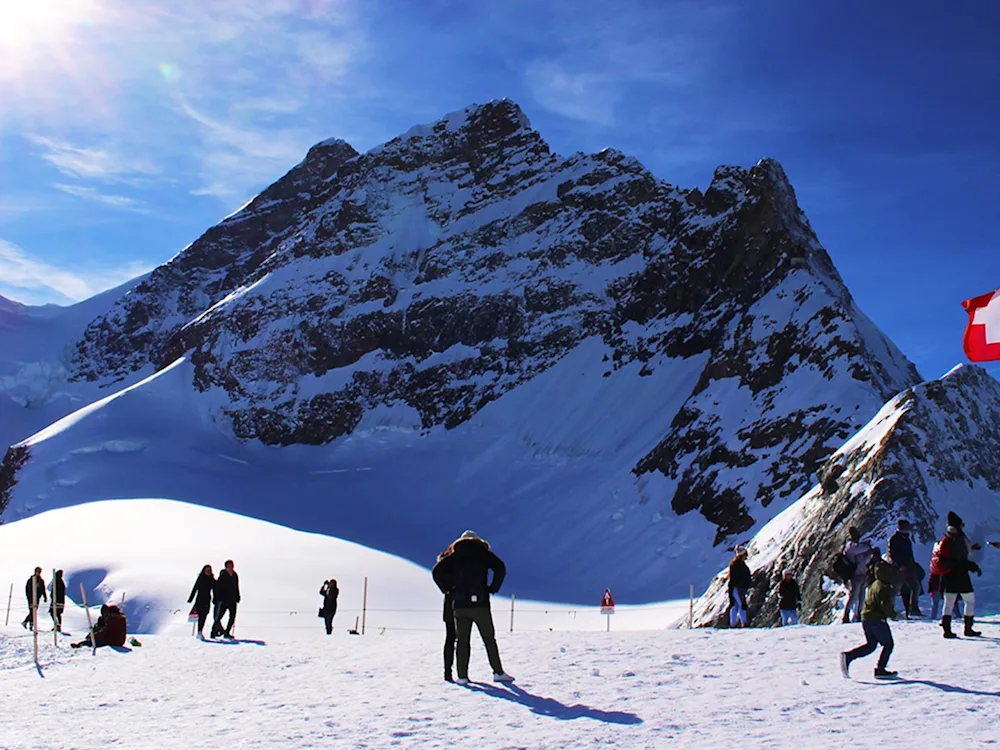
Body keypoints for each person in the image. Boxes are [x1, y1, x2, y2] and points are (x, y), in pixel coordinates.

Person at [432, 530, 513, 685]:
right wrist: (492, 588)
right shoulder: (482, 553)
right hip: (480, 603)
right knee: (489, 638)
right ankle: (497, 672)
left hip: (459, 604)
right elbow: (500, 567)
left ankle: (462, 676)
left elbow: (437, 571)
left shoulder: (455, 556)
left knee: (462, 640)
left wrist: (449, 589)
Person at [840, 557, 898, 679]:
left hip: (866, 618)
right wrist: (893, 615)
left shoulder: (875, 584)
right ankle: (880, 669)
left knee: (871, 645)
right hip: (877, 619)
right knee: (888, 644)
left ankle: (849, 656)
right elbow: (885, 606)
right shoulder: (885, 587)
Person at [935, 511, 983, 638]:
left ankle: (947, 630)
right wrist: (973, 566)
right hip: (961, 576)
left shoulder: (946, 539)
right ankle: (968, 628)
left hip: (948, 576)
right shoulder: (959, 540)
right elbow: (961, 560)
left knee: (948, 603)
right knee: (970, 601)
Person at [887, 519, 921, 618]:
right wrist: (898, 565)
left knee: (916, 587)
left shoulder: (906, 539)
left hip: (909, 568)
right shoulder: (894, 539)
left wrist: (912, 564)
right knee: (895, 591)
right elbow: (892, 554)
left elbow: (909, 554)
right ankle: (890, 611)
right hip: (899, 569)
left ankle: (913, 609)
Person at [842, 527, 872, 623]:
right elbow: (858, 550)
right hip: (855, 575)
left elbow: (865, 561)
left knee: (862, 597)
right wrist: (868, 549)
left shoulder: (858, 547)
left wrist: (868, 554)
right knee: (854, 597)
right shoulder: (850, 546)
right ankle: (846, 615)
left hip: (863, 574)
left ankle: (859, 615)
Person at [436, 546, 457, 682]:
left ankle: (447, 671)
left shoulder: (445, 560)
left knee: (450, 638)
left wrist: (446, 589)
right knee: (461, 640)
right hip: (462, 602)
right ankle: (462, 673)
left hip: (449, 603)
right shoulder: (461, 560)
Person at [211, 559, 240, 639]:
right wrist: (218, 598)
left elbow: (236, 586)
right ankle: (213, 632)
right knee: (219, 616)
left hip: (233, 599)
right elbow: (218, 587)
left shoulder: (234, 575)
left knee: (232, 616)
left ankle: (227, 632)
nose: (231, 568)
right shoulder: (223, 576)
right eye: (229, 566)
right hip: (224, 600)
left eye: (232, 566)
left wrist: (238, 596)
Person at [187, 564, 215, 639]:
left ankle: (200, 631)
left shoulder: (211, 579)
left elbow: (215, 588)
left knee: (204, 615)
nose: (208, 572)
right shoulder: (201, 578)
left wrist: (215, 599)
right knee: (201, 615)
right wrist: (190, 599)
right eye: (207, 570)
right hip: (200, 599)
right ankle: (199, 632)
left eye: (209, 570)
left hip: (207, 600)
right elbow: (195, 588)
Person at [727, 546, 752, 628]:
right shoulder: (739, 566)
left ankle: (733, 623)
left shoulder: (735, 565)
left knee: (735, 605)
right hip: (738, 587)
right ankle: (744, 622)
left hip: (734, 587)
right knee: (742, 604)